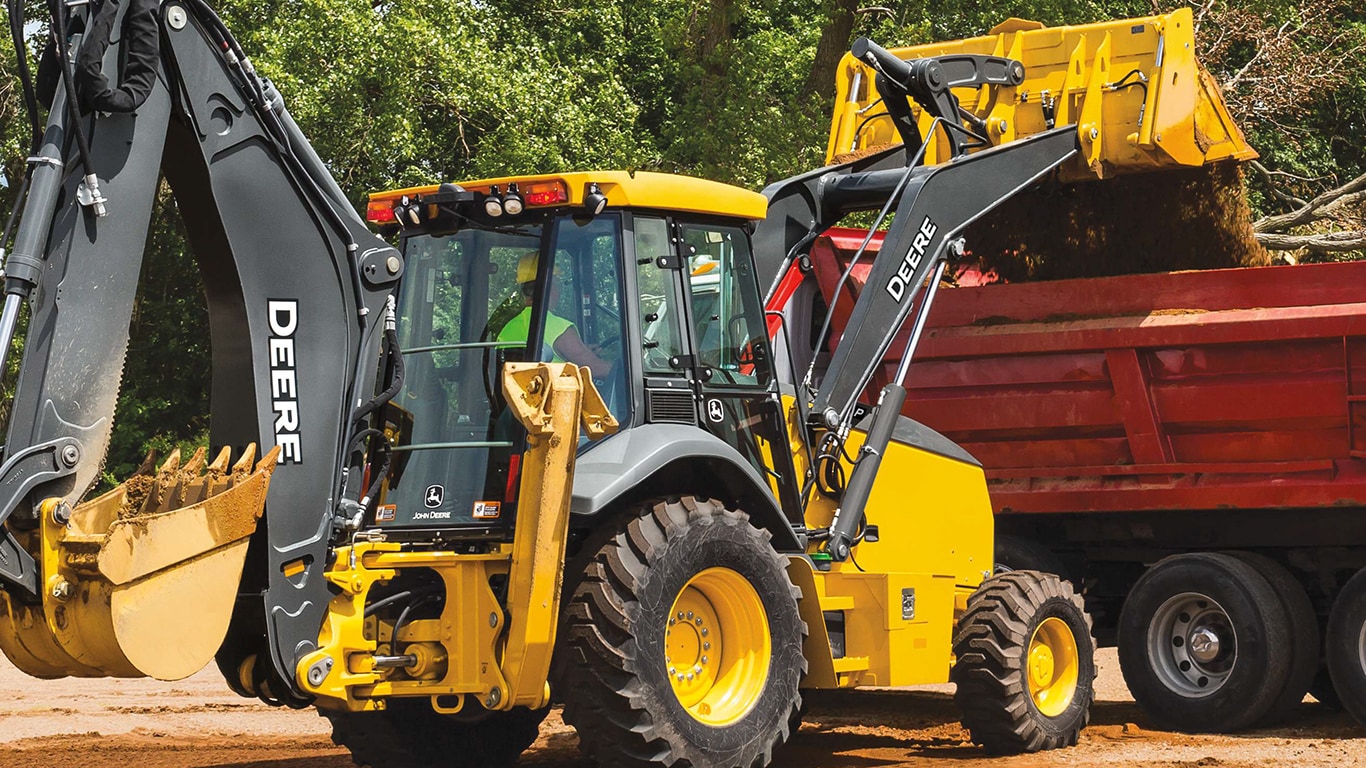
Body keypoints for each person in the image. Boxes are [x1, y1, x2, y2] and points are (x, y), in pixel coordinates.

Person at [497, 252, 613, 377]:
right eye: (556, 283)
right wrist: (623, 367)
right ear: (549, 286)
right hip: (552, 396)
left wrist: (583, 352)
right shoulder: (557, 327)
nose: (559, 289)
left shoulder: (507, 328)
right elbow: (596, 368)